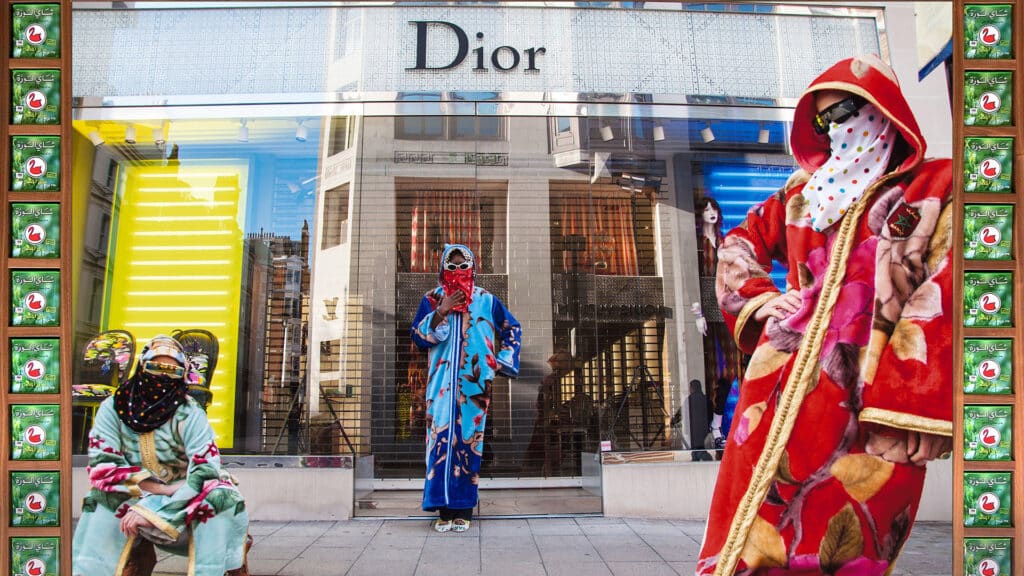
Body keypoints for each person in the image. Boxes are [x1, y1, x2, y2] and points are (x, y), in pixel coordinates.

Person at [697, 54, 952, 575]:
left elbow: (944, 289)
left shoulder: (933, 187)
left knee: (852, 536)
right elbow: (739, 243)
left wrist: (913, 402)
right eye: (823, 120)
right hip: (777, 387)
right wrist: (763, 299)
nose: (837, 129)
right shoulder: (800, 193)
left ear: (884, 108)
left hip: (871, 388)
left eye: (846, 112)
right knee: (754, 525)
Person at [72, 335, 250, 576]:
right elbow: (103, 464)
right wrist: (155, 490)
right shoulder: (114, 408)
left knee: (220, 497)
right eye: (155, 367)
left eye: (173, 371)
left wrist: (158, 507)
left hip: (186, 494)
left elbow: (206, 468)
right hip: (133, 491)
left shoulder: (190, 412)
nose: (162, 377)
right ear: (142, 367)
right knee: (100, 499)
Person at [411, 244, 521, 533]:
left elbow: (512, 328)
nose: (458, 271)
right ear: (443, 269)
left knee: (469, 444)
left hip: (474, 386)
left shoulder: (486, 299)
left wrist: (500, 361)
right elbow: (419, 337)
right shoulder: (432, 298)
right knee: (440, 444)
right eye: (452, 266)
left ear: (472, 267)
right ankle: (443, 510)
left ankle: (464, 510)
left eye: (463, 265)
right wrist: (441, 311)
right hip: (440, 387)